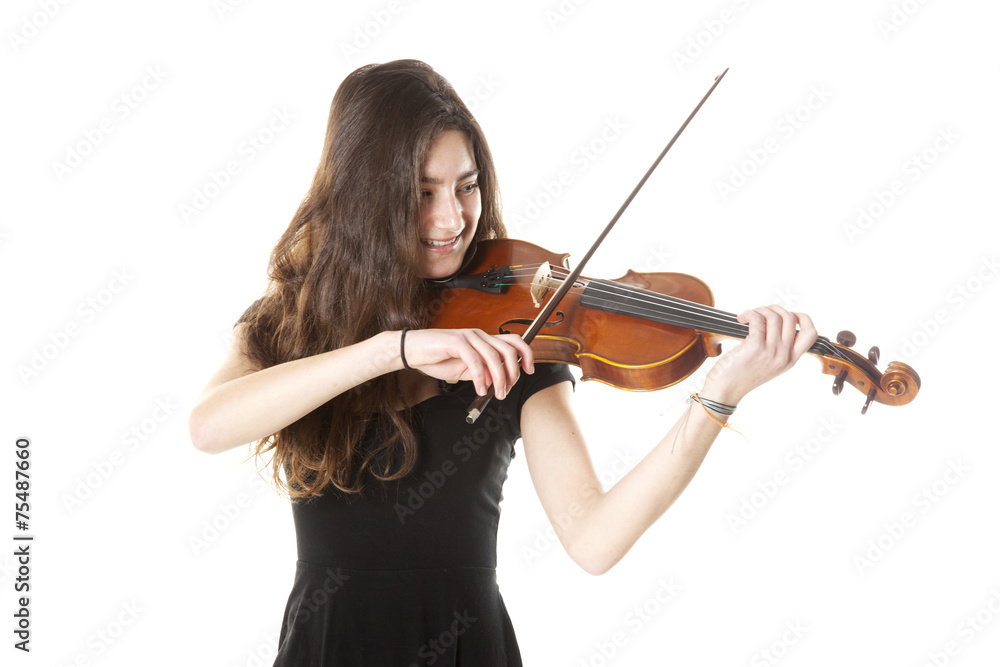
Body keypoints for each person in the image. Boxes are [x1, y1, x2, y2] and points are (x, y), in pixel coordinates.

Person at [188, 59, 818, 666]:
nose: (452, 218)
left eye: (466, 187)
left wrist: (720, 394)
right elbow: (209, 427)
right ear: (362, 199)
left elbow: (594, 541)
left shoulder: (520, 339)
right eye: (421, 192)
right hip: (326, 646)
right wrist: (393, 349)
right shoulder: (293, 322)